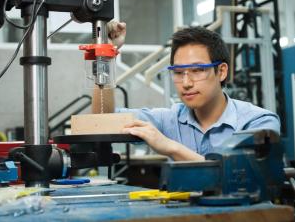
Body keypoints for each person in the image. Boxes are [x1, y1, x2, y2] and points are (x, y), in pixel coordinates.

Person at [97, 21, 280, 161]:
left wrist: (171, 148)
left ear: (222, 71)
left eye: (197, 70)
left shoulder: (258, 122)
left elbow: (241, 180)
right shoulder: (169, 120)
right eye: (178, 72)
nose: (186, 83)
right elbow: (103, 117)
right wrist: (104, 52)